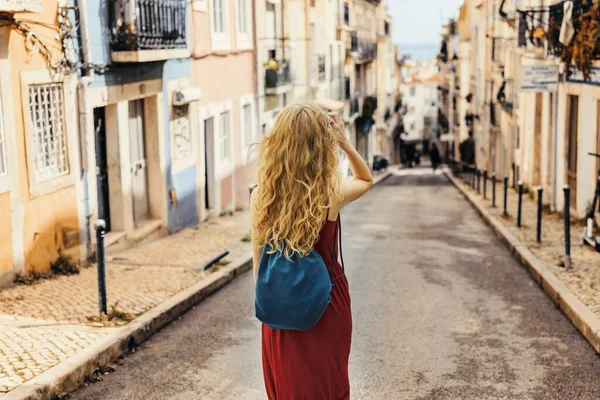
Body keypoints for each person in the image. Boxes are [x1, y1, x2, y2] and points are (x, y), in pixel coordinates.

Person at [251, 104, 373, 400]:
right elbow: (365, 179)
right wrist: (344, 142)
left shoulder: (260, 196)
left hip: (279, 307)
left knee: (288, 384)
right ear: (321, 146)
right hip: (327, 305)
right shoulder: (330, 192)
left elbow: (258, 265)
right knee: (326, 382)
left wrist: (278, 296)